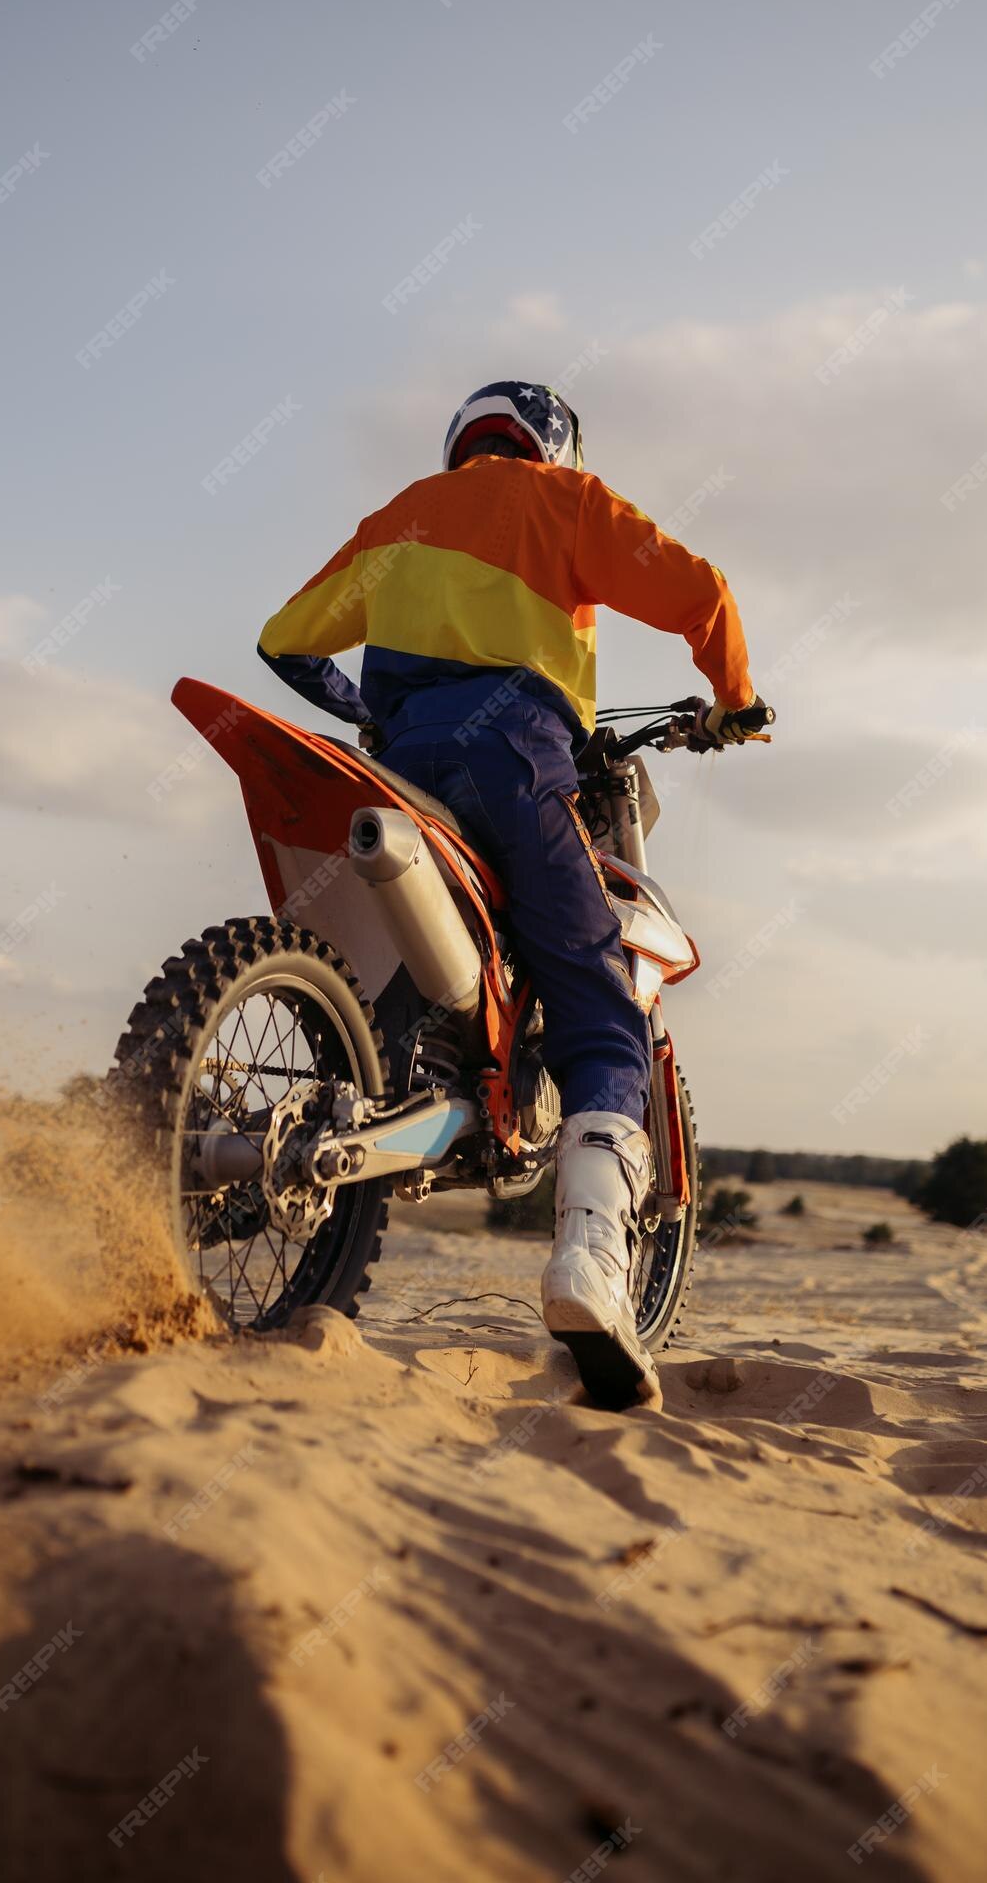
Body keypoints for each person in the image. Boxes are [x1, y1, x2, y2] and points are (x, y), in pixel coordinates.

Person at [257, 380, 766, 1407]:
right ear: (554, 445)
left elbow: (285, 641)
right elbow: (699, 589)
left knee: (390, 980)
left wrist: (370, 712)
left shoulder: (398, 515)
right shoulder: (564, 501)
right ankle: (587, 1262)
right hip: (514, 753)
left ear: (461, 443)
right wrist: (733, 699)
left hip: (398, 765)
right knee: (596, 993)